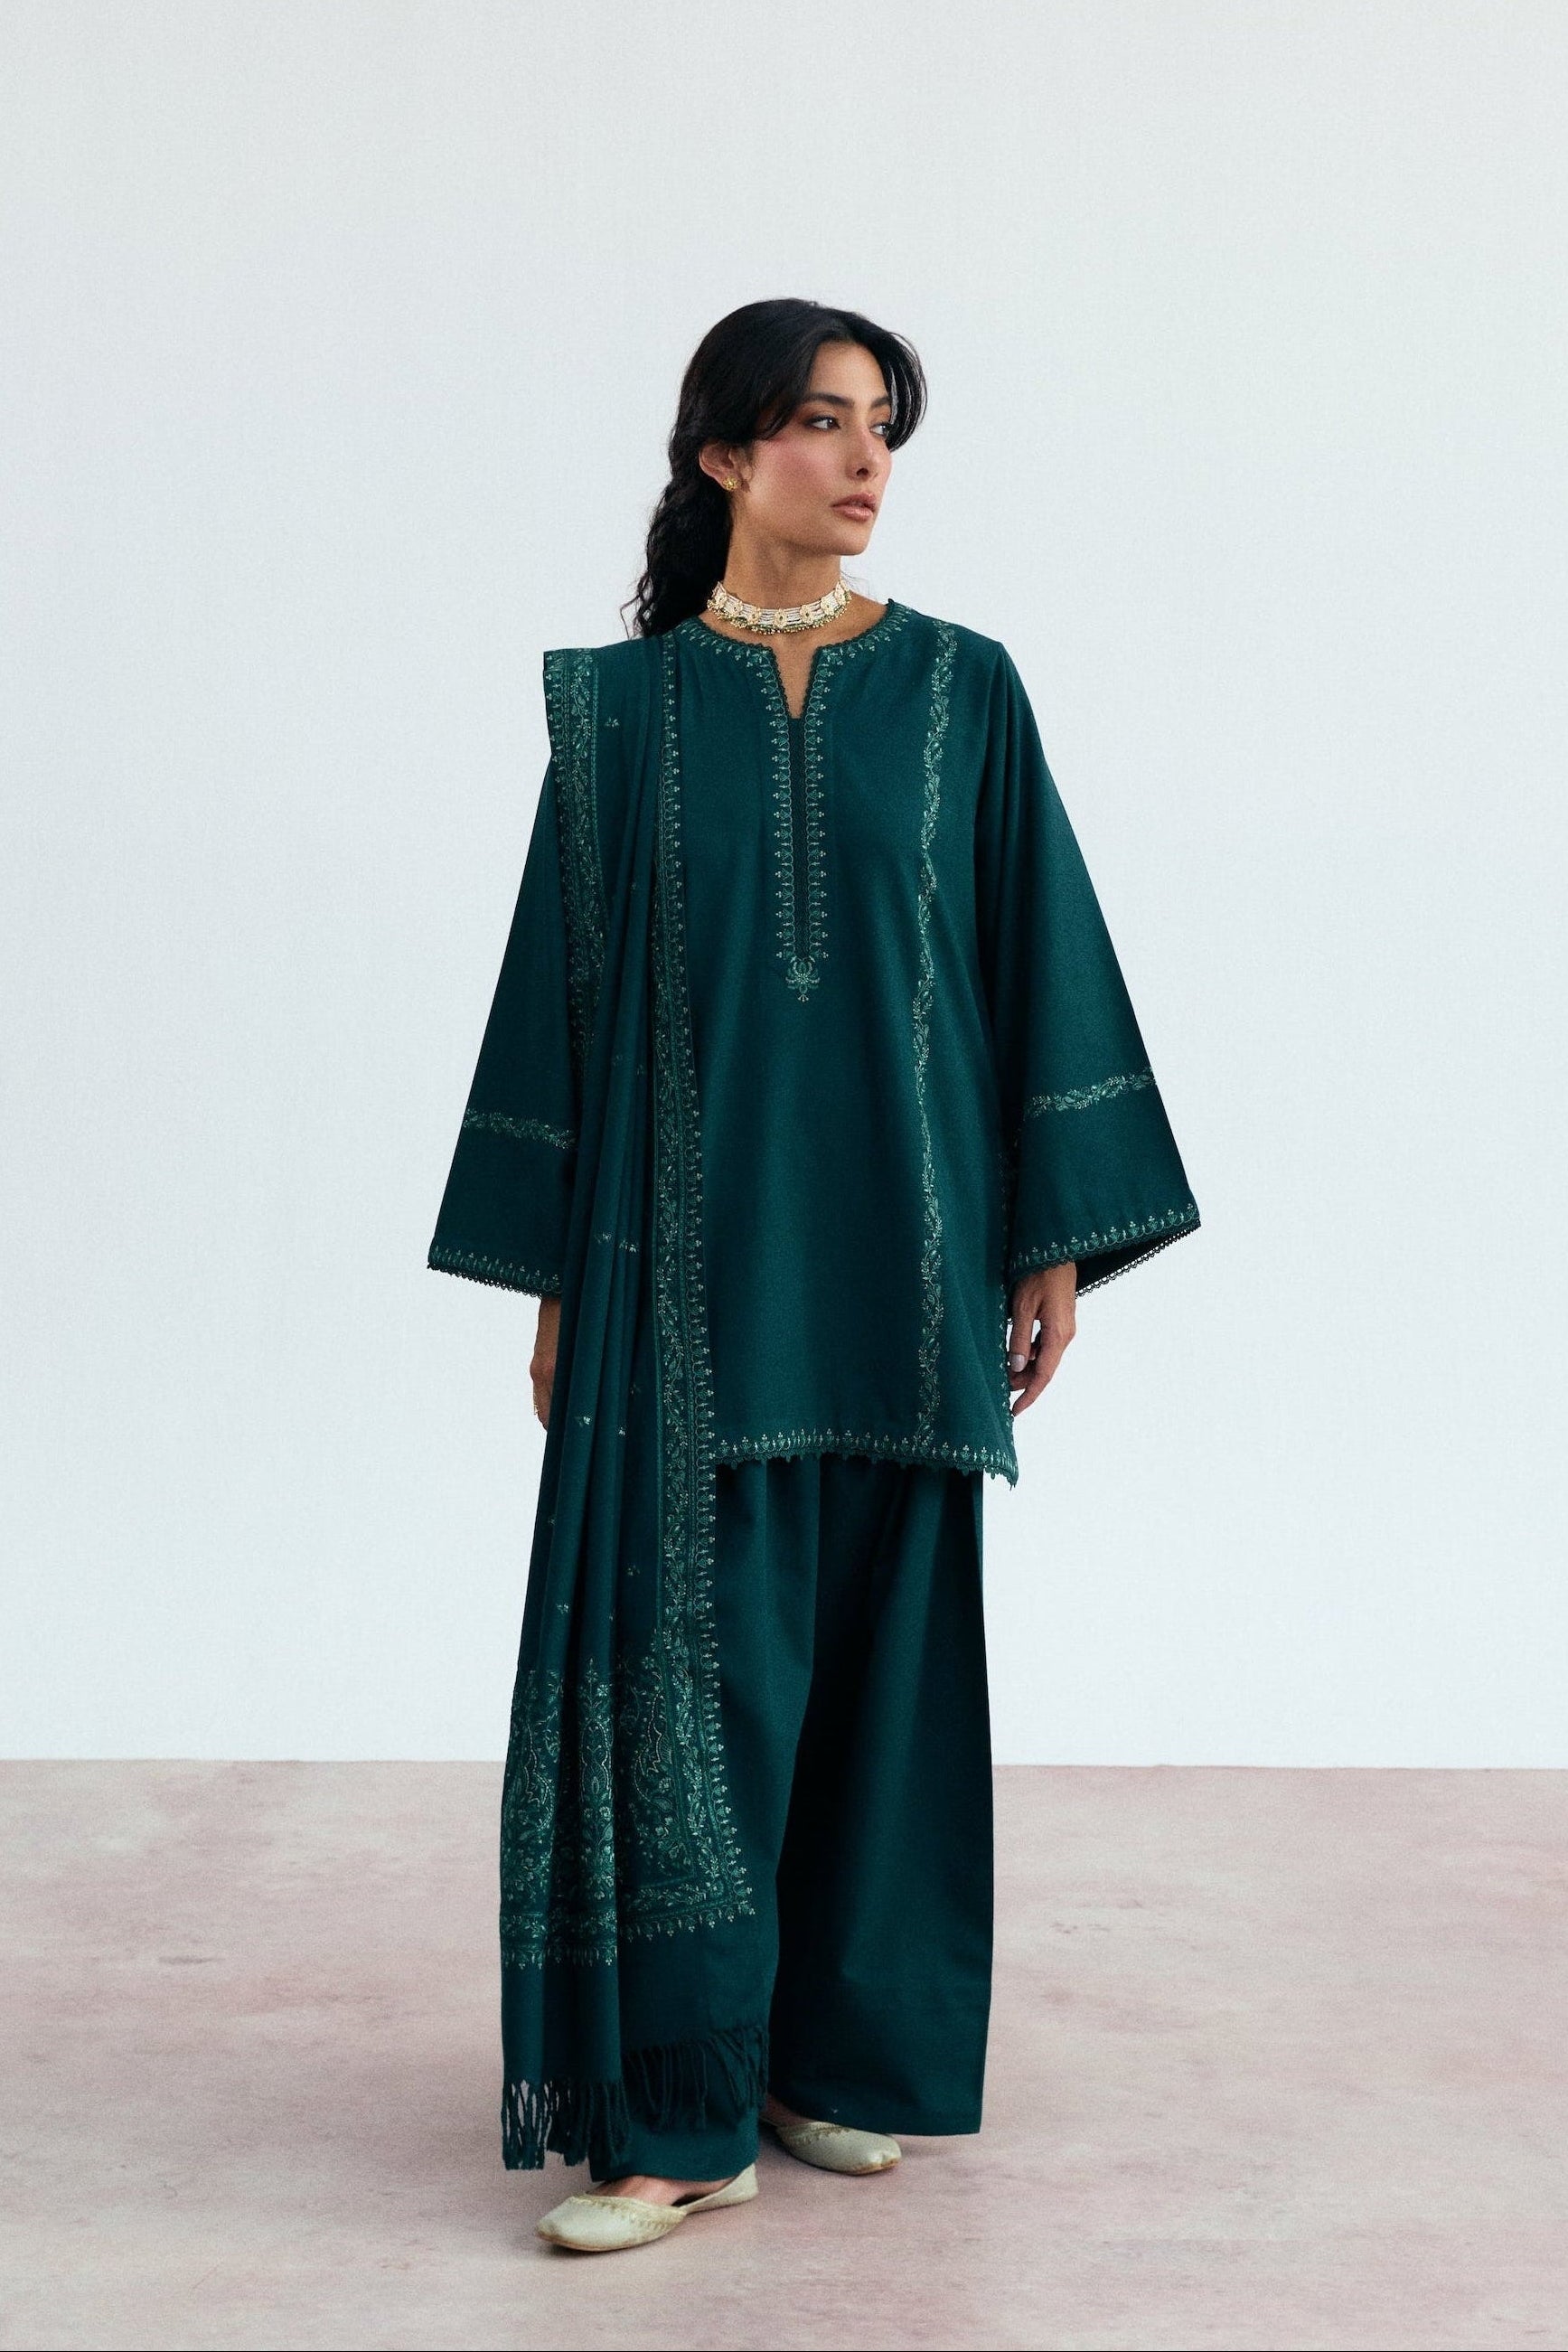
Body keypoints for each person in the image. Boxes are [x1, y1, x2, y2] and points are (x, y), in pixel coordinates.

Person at [427, 298, 1200, 2255]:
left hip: (907, 1264)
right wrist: (551, 1280)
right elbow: (557, 995)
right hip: (682, 1283)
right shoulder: (618, 717)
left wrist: (1049, 1233)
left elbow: (1035, 948)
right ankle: (677, 2116)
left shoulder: (961, 689)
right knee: (697, 1682)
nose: (864, 463)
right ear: (722, 455)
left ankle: (825, 2062)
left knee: (885, 1674)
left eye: (882, 429)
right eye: (822, 425)